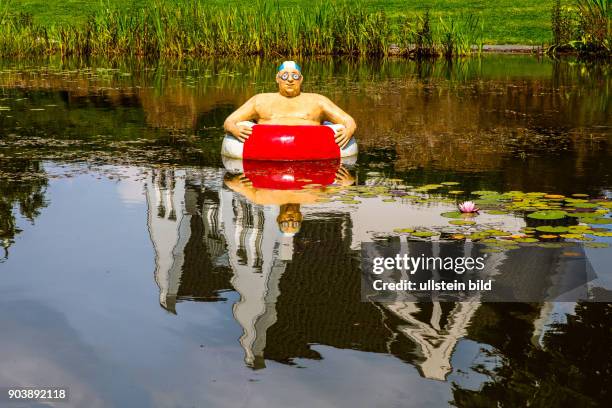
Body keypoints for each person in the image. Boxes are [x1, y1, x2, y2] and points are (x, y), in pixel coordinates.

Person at [223, 61, 357, 148]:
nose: (290, 80)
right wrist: (235, 129)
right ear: (277, 78)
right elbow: (229, 122)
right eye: (285, 76)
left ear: (301, 79)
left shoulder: (318, 101)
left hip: (311, 161)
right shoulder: (260, 101)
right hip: (267, 159)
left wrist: (348, 131)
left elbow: (348, 121)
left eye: (295, 76)